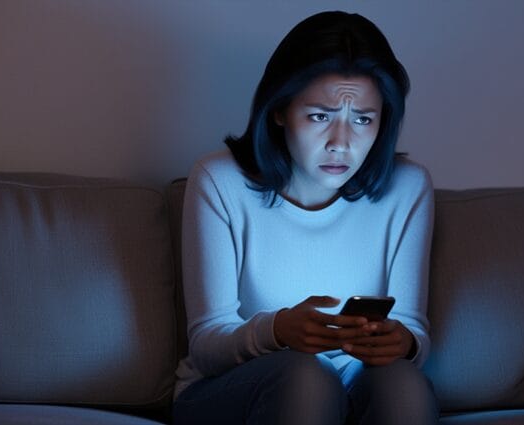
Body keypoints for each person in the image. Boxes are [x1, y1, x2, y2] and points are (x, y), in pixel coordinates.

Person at [173, 10, 438, 425]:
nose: (341, 144)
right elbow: (207, 342)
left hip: (352, 378)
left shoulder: (407, 188)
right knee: (306, 376)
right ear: (279, 110)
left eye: (363, 119)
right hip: (230, 388)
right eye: (320, 116)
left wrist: (400, 342)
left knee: (402, 382)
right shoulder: (218, 181)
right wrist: (278, 331)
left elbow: (411, 327)